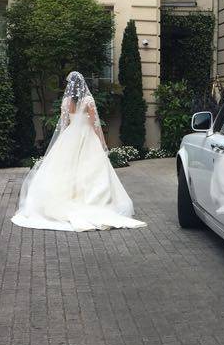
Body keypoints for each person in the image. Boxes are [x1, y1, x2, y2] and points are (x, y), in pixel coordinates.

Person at [11, 71, 146, 232]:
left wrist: (61, 143)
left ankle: (66, 200)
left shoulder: (66, 101)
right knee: (91, 170)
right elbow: (95, 124)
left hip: (69, 136)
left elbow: (63, 124)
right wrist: (103, 143)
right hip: (86, 136)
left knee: (66, 171)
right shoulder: (88, 100)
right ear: (83, 85)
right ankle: (94, 202)